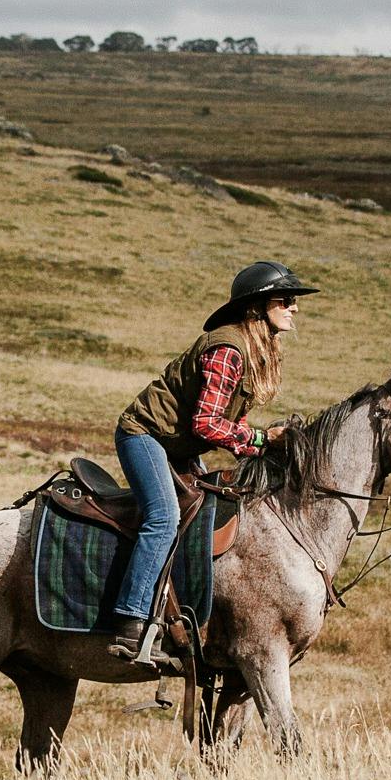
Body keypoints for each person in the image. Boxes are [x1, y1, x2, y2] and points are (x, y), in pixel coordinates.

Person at [104, 262, 316, 664]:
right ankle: (130, 622)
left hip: (178, 445)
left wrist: (265, 451)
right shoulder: (228, 350)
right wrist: (260, 439)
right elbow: (206, 424)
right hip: (145, 436)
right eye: (285, 300)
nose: (294, 308)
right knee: (164, 517)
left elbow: (231, 421)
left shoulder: (254, 350)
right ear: (257, 307)